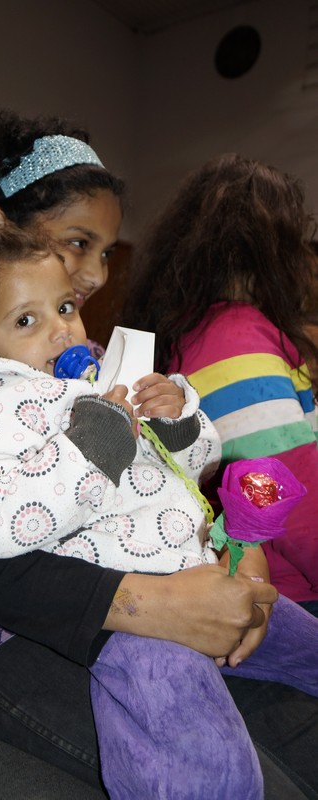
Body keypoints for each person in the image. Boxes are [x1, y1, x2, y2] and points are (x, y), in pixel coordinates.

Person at [0, 109, 317, 797]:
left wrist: (237, 551)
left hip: (140, 582)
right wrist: (157, 606)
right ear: (1, 228)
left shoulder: (79, 352)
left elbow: (165, 474)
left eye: (106, 252)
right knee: (233, 769)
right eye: (77, 243)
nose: (92, 275)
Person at [123, 153, 318, 619]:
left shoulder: (205, 330)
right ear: (272, 250)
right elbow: (280, 494)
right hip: (288, 596)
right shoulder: (235, 339)